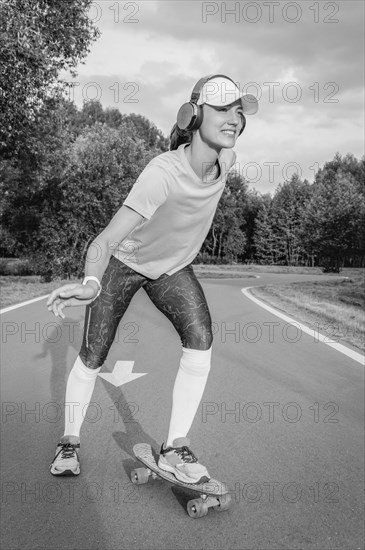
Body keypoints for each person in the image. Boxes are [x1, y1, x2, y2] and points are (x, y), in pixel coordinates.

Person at [47, 74, 258, 483]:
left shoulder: (227, 161)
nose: (234, 118)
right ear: (193, 115)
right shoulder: (161, 173)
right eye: (222, 108)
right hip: (125, 264)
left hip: (172, 269)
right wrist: (91, 283)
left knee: (201, 338)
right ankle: (68, 442)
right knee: (93, 352)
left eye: (238, 110)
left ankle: (174, 448)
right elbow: (105, 239)